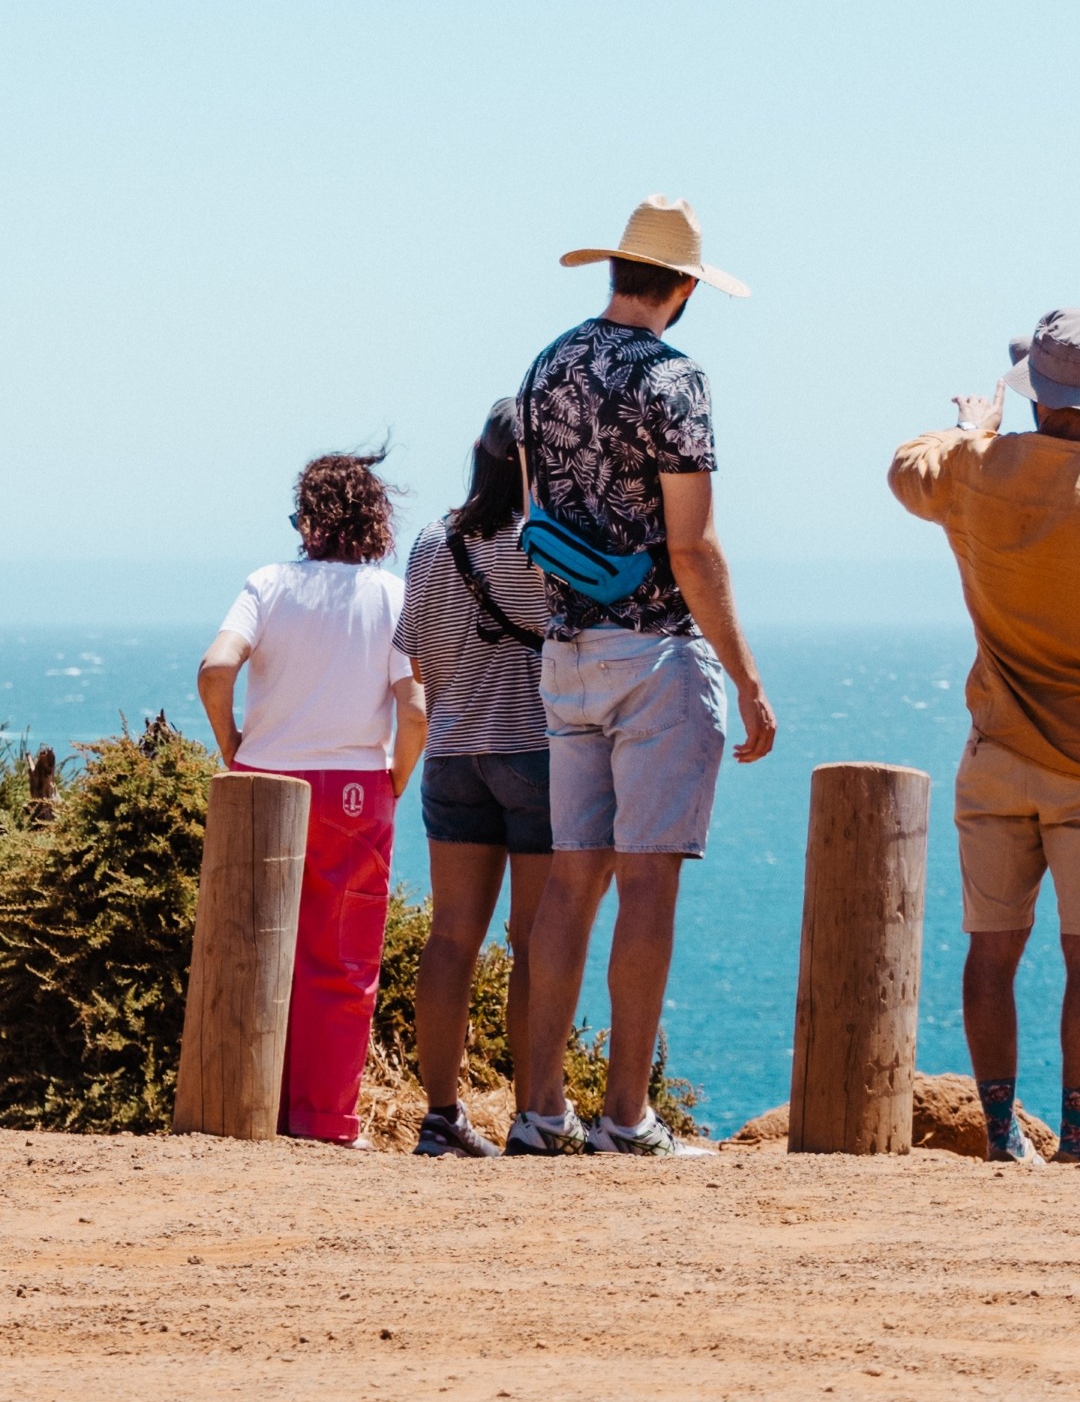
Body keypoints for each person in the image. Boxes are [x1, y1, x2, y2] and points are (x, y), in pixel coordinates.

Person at [886, 308, 1080, 1166]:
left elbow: (905, 471)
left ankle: (998, 1138)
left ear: (1029, 390)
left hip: (995, 751)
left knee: (992, 952)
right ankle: (1079, 1144)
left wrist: (966, 428)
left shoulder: (974, 470)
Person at [503, 199, 777, 1158]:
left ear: (617, 270)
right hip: (654, 650)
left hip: (565, 653)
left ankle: (539, 1113)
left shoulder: (546, 365)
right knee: (648, 891)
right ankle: (626, 1118)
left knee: (567, 890)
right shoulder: (675, 379)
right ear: (688, 288)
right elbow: (693, 548)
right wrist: (745, 676)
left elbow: (540, 514)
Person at [198, 447, 428, 1146]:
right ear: (376, 519)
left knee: (251, 948)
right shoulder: (391, 595)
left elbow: (216, 668)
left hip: (262, 781)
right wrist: (399, 773)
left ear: (306, 518)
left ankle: (240, 1107)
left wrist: (231, 745)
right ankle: (324, 1123)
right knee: (342, 963)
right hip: (355, 790)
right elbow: (413, 708)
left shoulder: (268, 584)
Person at [396, 400, 558, 1156]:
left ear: (476, 453)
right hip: (537, 753)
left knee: (451, 937)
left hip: (454, 754)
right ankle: (535, 1116)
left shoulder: (432, 542)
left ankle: (440, 1118)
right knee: (534, 941)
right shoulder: (545, 544)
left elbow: (418, 662)